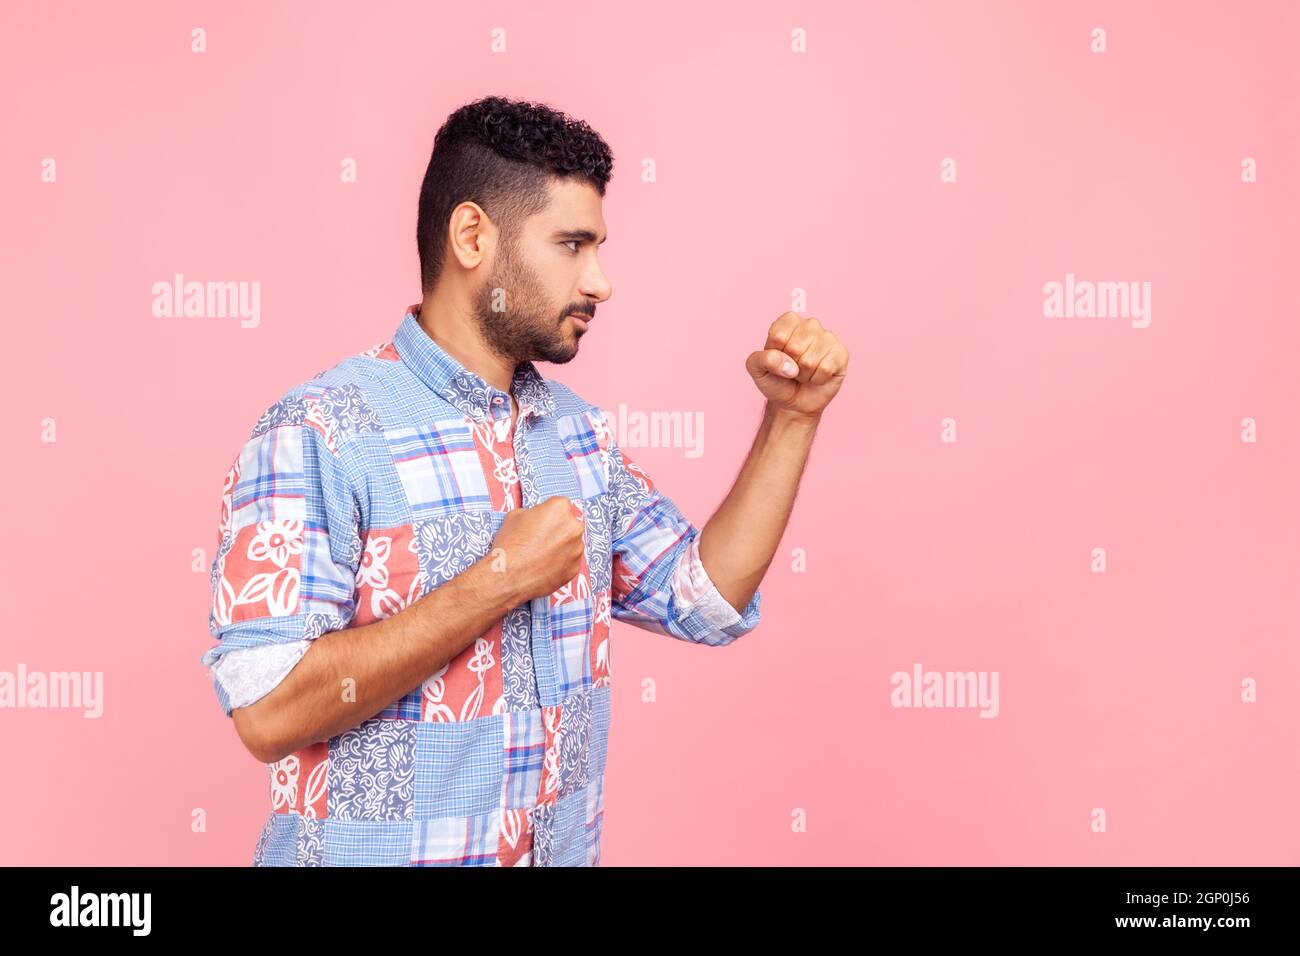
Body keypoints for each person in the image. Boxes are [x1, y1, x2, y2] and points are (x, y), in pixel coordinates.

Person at [201, 94, 848, 866]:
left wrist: (792, 419)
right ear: (473, 235)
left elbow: (702, 599)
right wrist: (498, 578)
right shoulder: (319, 432)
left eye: (599, 247)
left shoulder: (578, 436)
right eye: (572, 245)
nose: (600, 281)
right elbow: (269, 709)